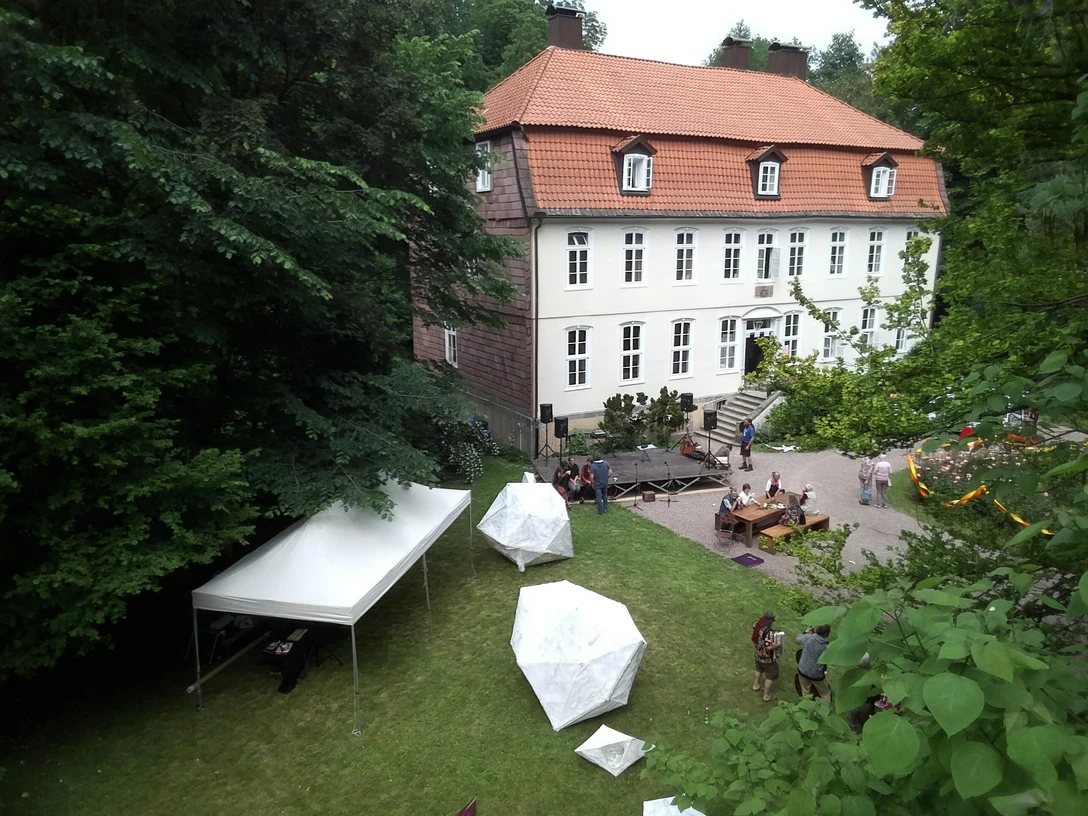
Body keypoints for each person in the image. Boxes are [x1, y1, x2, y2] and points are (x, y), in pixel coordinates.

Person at [751, 611, 782, 701]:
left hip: (758, 654)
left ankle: (756, 685)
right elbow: (769, 647)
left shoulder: (757, 625)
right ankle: (766, 695)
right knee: (770, 676)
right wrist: (778, 644)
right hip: (767, 659)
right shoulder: (768, 632)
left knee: (758, 669)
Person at [795, 625, 831, 699]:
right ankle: (824, 709)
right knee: (825, 693)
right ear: (826, 634)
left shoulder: (808, 638)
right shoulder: (827, 646)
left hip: (803, 670)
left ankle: (806, 707)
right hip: (816, 674)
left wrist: (807, 631)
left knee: (805, 692)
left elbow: (797, 640)